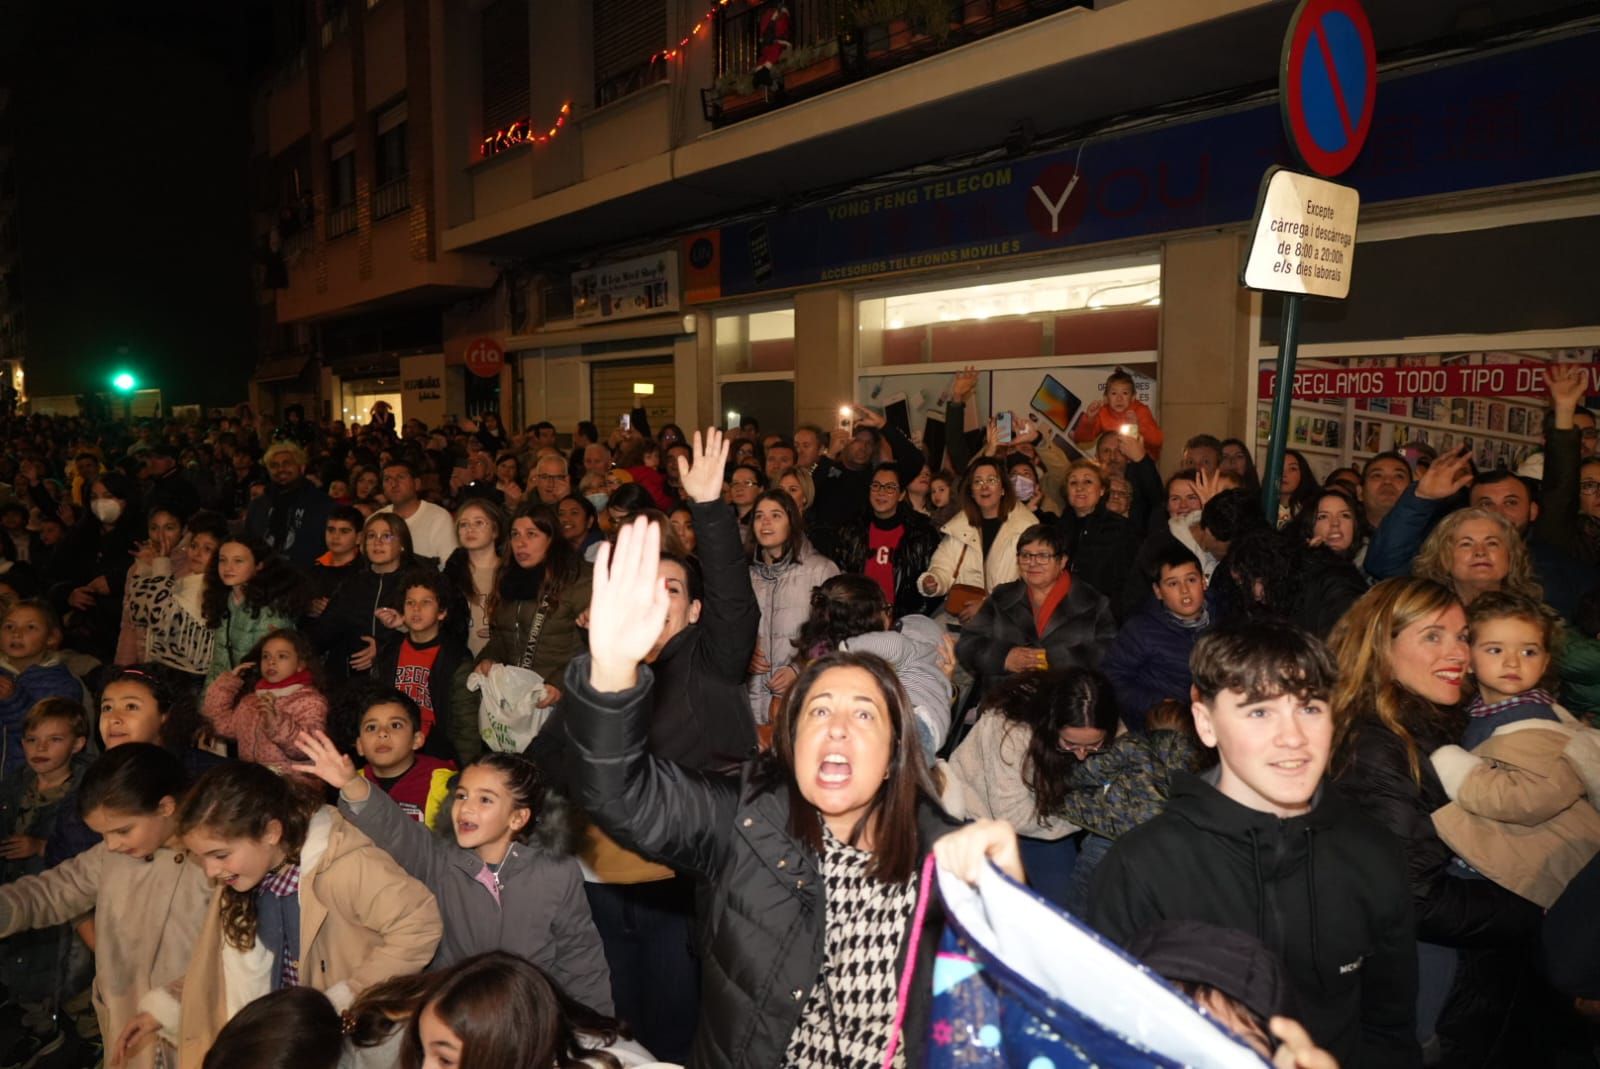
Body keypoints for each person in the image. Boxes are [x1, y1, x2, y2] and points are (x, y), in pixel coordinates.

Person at [563, 515, 1019, 1068]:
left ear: (896, 749)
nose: (838, 727)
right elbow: (619, 794)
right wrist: (611, 673)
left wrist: (1006, 915)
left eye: (864, 714)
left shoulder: (944, 855)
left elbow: (995, 1034)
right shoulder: (744, 817)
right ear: (791, 742)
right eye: (819, 711)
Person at [1091, 620, 1420, 1068]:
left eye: (1309, 709)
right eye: (1259, 712)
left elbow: (1388, 1029)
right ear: (1206, 724)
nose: (1293, 738)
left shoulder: (1374, 854)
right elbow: (1105, 1035)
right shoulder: (1142, 867)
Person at [526, 429, 758, 1063]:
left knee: (681, 1025)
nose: (657, 601)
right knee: (618, 1023)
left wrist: (709, 509)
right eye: (645, 589)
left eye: (673, 591)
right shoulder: (604, 677)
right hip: (603, 880)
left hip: (683, 889)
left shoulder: (709, 663)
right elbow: (549, 758)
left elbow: (737, 608)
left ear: (692, 612)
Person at [1326, 577, 1542, 1057]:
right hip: (1431, 989)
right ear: (1382, 646)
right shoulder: (1378, 747)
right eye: (1432, 636)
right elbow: (1414, 897)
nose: (1458, 654)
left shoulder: (1434, 719)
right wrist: (1537, 904)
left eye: (1463, 635)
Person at [141, 762, 442, 1066]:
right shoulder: (241, 877)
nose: (210, 871)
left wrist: (351, 994)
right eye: (201, 858)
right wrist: (167, 1005)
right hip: (291, 1040)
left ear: (271, 832)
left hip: (350, 1042)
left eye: (219, 855)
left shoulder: (344, 867)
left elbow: (420, 924)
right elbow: (218, 967)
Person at [295, 730, 613, 1011]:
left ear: (517, 818)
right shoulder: (440, 859)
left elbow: (580, 957)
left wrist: (595, 1024)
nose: (466, 807)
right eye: (462, 795)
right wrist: (351, 783)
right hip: (457, 1013)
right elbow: (396, 831)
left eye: (485, 799)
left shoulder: (556, 873)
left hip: (529, 1016)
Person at [1428, 591, 1600, 998]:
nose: (1511, 662)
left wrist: (1453, 765)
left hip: (1543, 881)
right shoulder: (1482, 711)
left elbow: (1527, 800)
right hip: (1508, 871)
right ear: (1468, 655)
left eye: (1528, 651)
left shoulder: (1538, 723)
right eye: (1495, 648)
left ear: (1545, 661)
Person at [0, 745, 212, 1069]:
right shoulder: (113, 855)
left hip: (191, 1029)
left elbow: (227, 960)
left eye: (122, 830)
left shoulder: (216, 864)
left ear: (166, 806)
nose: (112, 844)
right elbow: (55, 890)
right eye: (103, 834)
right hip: (125, 1019)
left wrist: (167, 1006)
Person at [936, 668, 1116, 906]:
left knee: (1062, 910)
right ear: (1051, 725)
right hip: (981, 814)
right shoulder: (1008, 729)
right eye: (1070, 744)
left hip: (1050, 812)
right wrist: (1087, 815)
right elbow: (1013, 816)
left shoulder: (1103, 721)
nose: (1082, 756)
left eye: (1093, 746)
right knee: (992, 906)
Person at [792, 574, 953, 760]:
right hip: (917, 727)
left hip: (916, 723)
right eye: (887, 609)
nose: (891, 619)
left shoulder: (823, 666)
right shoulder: (869, 660)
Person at [955, 524, 1115, 701]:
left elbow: (1108, 652)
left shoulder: (1093, 603)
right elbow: (967, 644)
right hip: (1004, 703)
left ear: (1062, 561)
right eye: (1025, 555)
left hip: (1066, 707)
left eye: (1043, 556)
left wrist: (1053, 660)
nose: (1032, 563)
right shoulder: (1002, 596)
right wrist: (1004, 657)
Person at [476, 503, 591, 713]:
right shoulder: (509, 578)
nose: (521, 543)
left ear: (551, 539)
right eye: (515, 535)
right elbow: (503, 636)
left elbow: (595, 649)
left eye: (532, 534)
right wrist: (488, 658)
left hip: (567, 701)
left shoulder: (579, 580)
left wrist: (559, 683)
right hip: (519, 700)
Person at [747, 489, 840, 725]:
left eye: (775, 515)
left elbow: (836, 632)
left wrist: (799, 668)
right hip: (751, 695)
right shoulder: (744, 574)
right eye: (759, 516)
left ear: (792, 521)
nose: (765, 522)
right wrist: (743, 656)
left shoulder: (820, 570)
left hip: (802, 692)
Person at [1100, 542, 1210, 729]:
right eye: (1173, 584)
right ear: (1158, 591)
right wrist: (1158, 703)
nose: (1184, 590)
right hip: (1160, 725)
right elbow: (1111, 678)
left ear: (1204, 582)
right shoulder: (1140, 630)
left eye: (1191, 580)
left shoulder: (1224, 619)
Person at [917, 456, 1037, 624]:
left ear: (1003, 488)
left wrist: (988, 606)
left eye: (991, 480)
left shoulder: (1027, 527)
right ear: (971, 492)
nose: (984, 486)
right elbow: (944, 564)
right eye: (978, 481)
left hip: (1005, 621)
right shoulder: (960, 524)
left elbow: (1032, 582)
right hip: (960, 616)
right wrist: (935, 580)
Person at [202, 628, 329, 772]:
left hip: (293, 787)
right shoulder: (251, 701)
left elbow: (307, 749)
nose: (271, 662)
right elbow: (221, 726)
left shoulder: (310, 701)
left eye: (282, 656)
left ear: (300, 664)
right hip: (255, 785)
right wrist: (226, 686)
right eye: (266, 656)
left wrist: (277, 723)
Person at [831, 462, 941, 621]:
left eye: (890, 487)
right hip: (857, 620)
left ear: (902, 494)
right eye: (876, 486)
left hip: (904, 624)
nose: (881, 492)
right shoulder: (851, 530)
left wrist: (910, 621)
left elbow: (931, 587)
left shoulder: (922, 533)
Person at [202, 534, 307, 686]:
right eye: (223, 560)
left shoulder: (271, 611)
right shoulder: (223, 599)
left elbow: (273, 670)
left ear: (259, 565)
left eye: (238, 561)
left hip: (257, 696)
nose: (228, 567)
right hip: (225, 692)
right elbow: (218, 664)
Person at [0, 599, 87, 775]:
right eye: (9, 627)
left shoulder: (63, 683)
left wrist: (12, 699)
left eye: (30, 627)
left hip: (32, 781)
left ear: (51, 637)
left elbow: (49, 734)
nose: (17, 634)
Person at [244, 441, 333, 570]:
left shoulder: (322, 504)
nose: (281, 469)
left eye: (287, 463)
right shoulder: (258, 505)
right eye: (274, 465)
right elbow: (249, 542)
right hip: (264, 578)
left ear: (301, 467)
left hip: (308, 578)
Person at [376, 458, 457, 566]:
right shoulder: (376, 519)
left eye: (401, 477)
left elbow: (449, 565)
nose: (394, 484)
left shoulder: (438, 517)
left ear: (417, 484)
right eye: (387, 479)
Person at [1072, 370, 1163, 458]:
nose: (1119, 398)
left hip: (1140, 462)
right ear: (1106, 398)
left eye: (1125, 393)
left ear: (1133, 397)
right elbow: (1080, 438)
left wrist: (1137, 427)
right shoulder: (1103, 413)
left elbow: (1157, 440)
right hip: (1116, 461)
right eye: (1114, 393)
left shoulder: (1140, 411)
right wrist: (1090, 418)